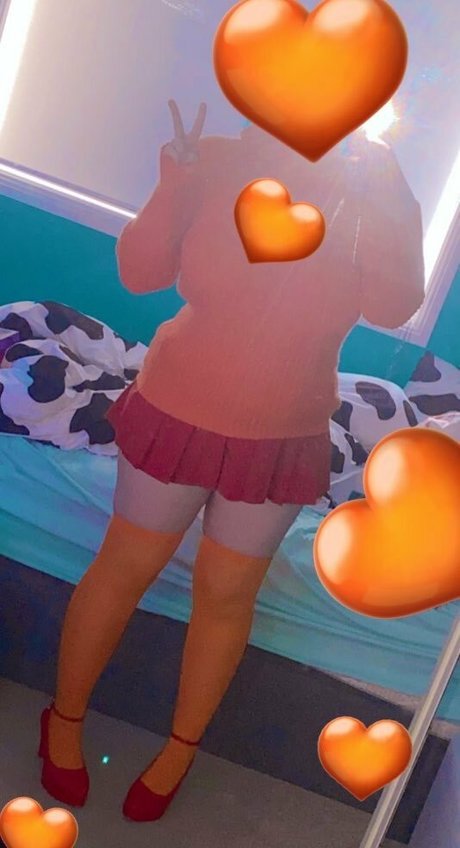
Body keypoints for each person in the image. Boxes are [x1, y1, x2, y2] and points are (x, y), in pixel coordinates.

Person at [38, 100, 425, 821]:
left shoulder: (364, 189)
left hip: (284, 435)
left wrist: (394, 199)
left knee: (225, 596)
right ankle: (61, 719)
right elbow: (139, 271)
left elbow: (394, 304)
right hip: (177, 411)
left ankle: (181, 747)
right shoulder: (215, 159)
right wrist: (175, 182)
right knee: (125, 568)